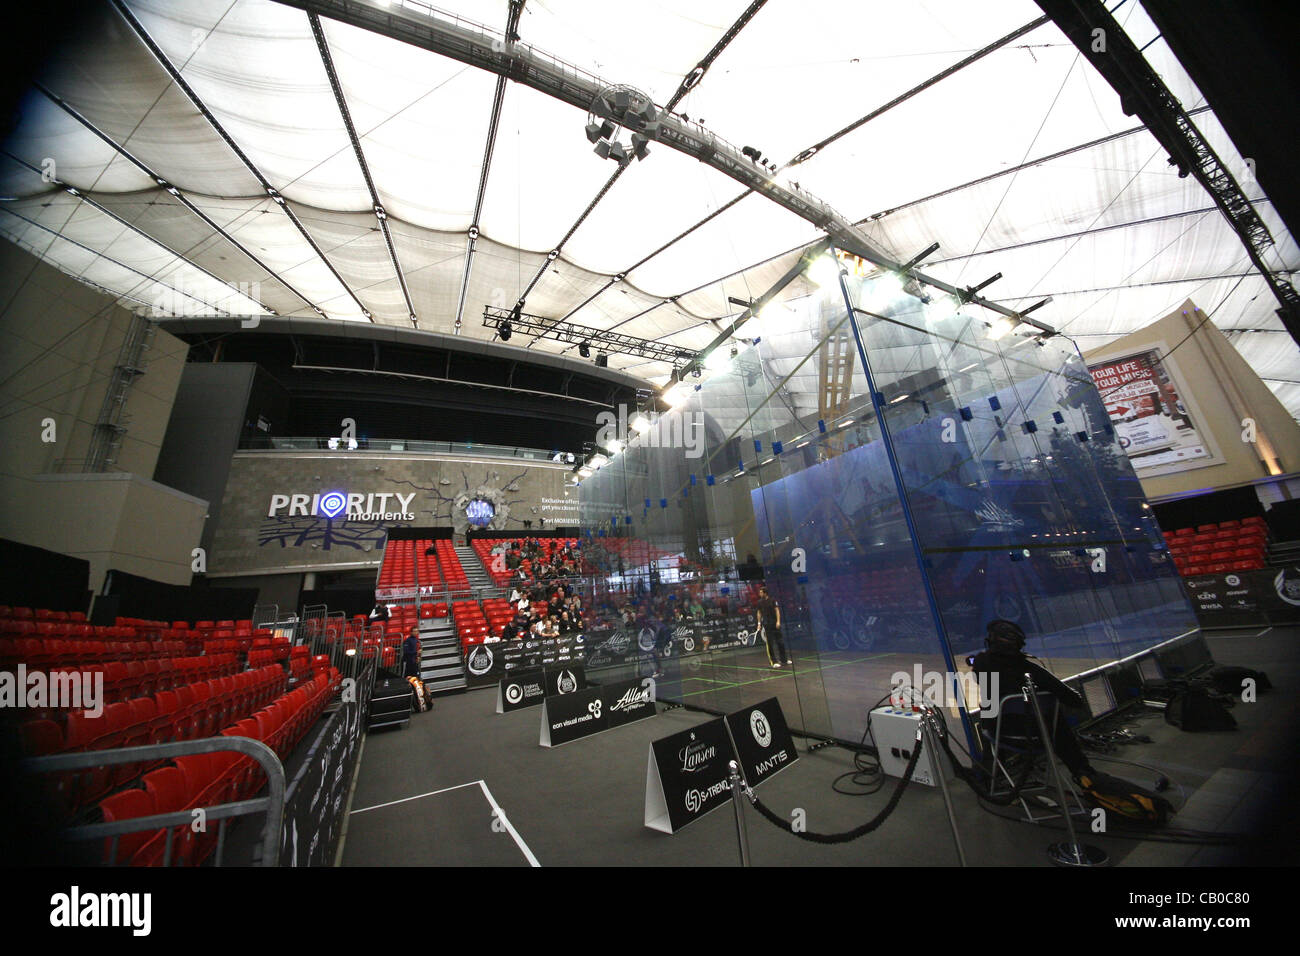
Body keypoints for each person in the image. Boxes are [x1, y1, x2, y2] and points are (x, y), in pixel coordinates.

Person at [967, 619, 1095, 781]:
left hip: (1003, 734)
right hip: (1041, 736)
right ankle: (1084, 774)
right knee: (1057, 722)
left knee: (988, 713)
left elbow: (979, 667)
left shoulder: (982, 663)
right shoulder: (1033, 670)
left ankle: (991, 778)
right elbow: (1074, 700)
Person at [754, 585, 790, 668]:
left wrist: (778, 621)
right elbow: (759, 613)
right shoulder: (759, 602)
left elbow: (777, 610)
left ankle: (784, 660)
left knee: (780, 642)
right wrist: (759, 624)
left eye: (761, 592)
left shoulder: (772, 600)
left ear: (765, 593)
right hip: (767, 625)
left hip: (775, 624)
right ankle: (773, 662)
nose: (759, 594)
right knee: (770, 643)